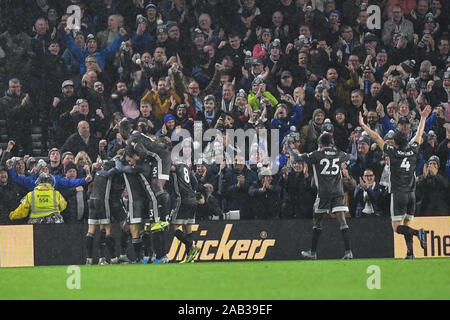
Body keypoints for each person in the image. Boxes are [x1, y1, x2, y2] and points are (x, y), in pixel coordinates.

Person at [359, 106, 431, 259]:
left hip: (399, 194)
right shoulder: (413, 151)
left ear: (395, 144)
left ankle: (418, 233)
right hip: (411, 194)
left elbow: (377, 138)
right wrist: (423, 118)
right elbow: (418, 134)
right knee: (406, 223)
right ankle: (410, 253)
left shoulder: (393, 152)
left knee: (397, 228)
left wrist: (364, 126)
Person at [300, 132, 353, 260]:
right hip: (338, 192)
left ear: (320, 144)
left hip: (323, 193)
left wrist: (290, 149)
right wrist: (353, 143)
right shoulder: (339, 154)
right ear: (332, 143)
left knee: (317, 221)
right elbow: (352, 156)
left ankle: (313, 252)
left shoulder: (317, 154)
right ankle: (348, 251)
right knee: (342, 221)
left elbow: (298, 158)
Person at [168, 162, 201, 263]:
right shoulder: (185, 167)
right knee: (187, 228)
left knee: (173, 227)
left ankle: (192, 245)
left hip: (183, 200)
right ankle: (189, 258)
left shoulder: (175, 168)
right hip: (192, 199)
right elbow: (195, 183)